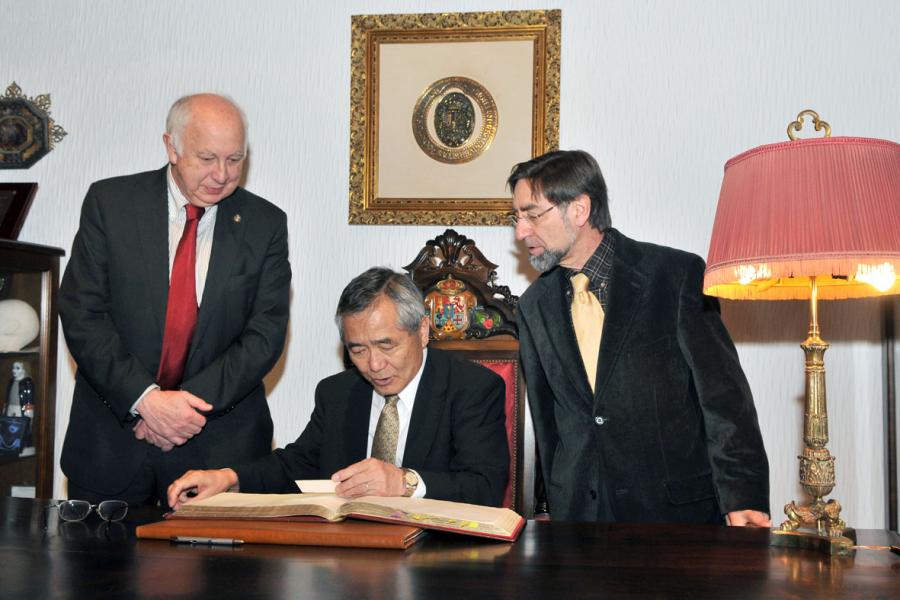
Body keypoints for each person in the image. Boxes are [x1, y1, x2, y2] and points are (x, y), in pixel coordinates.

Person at [508, 150, 770, 525]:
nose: (521, 232)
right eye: (516, 218)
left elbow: (725, 401)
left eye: (532, 215)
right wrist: (553, 505)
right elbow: (549, 423)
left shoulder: (676, 276)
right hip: (581, 523)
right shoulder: (533, 305)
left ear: (579, 210)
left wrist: (743, 496)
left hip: (675, 519)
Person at [58, 93, 291, 507]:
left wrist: (182, 410)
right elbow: (83, 313)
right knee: (94, 571)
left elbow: (264, 334)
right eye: (207, 158)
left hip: (219, 451)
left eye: (235, 159)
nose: (222, 174)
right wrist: (145, 400)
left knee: (225, 575)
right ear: (171, 147)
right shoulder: (111, 205)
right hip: (111, 447)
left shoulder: (265, 224)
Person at [168, 267, 508, 509]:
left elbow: (485, 486)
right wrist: (228, 478)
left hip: (439, 564)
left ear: (421, 332)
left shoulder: (472, 388)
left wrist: (403, 483)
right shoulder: (338, 393)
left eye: (386, 345)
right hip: (351, 558)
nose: (373, 365)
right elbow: (297, 464)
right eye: (357, 349)